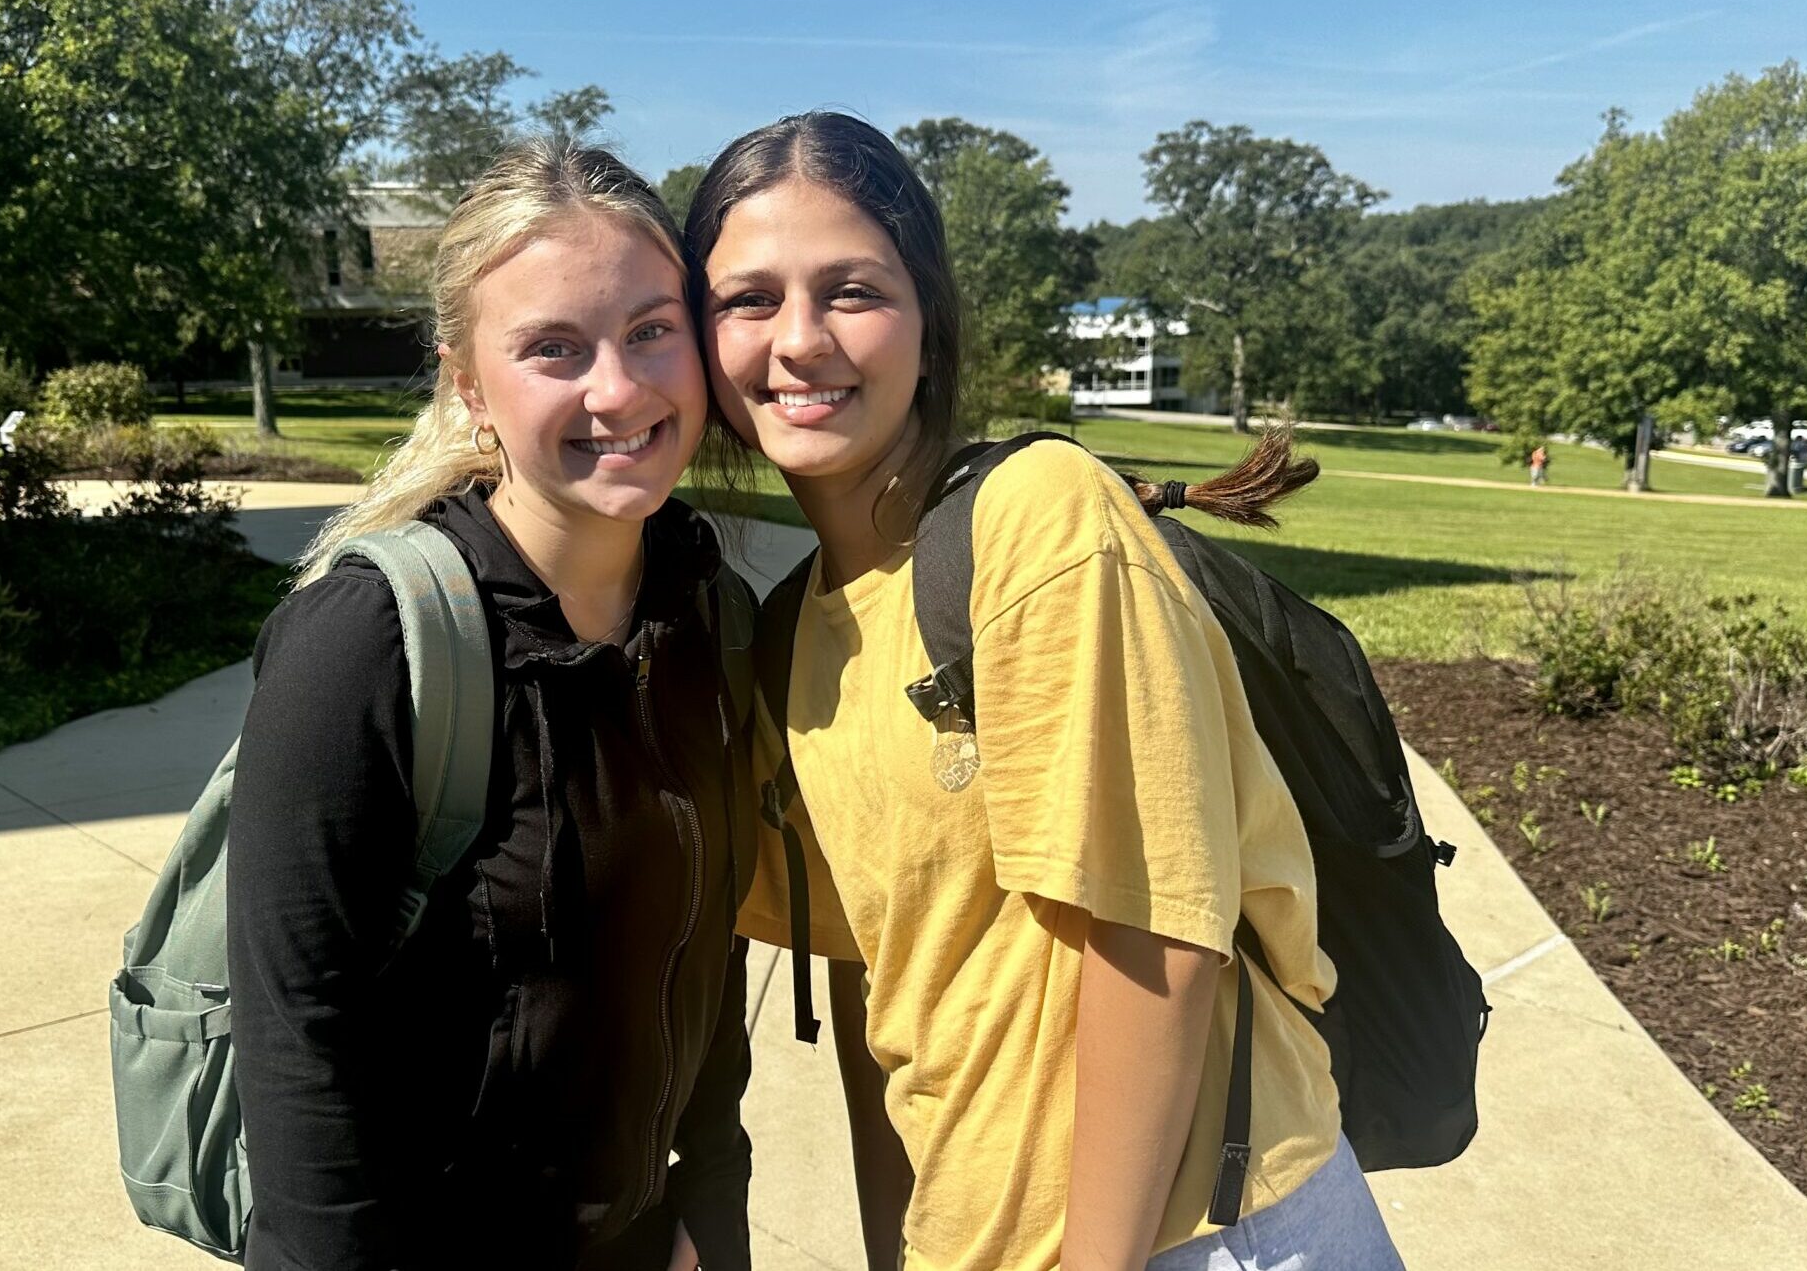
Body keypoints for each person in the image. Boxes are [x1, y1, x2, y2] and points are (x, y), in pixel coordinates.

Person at [693, 111, 1402, 1271]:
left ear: (929, 319)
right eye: (749, 299)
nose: (799, 339)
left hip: (1194, 1237)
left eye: (853, 291)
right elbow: (889, 996)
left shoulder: (1037, 518)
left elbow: (1159, 935)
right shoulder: (788, 635)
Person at [225, 138, 755, 1271]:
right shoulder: (366, 644)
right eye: (552, 349)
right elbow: (295, 1050)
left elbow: (705, 973)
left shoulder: (707, 620)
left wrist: (712, 1214)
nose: (617, 389)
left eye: (652, 330)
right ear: (468, 381)